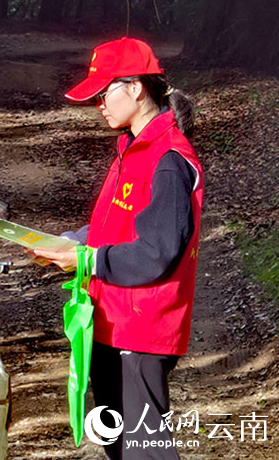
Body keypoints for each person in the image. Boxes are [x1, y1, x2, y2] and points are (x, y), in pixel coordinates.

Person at [33, 38, 203, 460]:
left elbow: (156, 253)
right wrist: (72, 243)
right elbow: (116, 225)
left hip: (141, 329)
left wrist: (87, 259)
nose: (99, 105)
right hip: (110, 319)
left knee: (145, 451)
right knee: (117, 442)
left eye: (104, 93)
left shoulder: (167, 158)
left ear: (137, 88)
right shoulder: (133, 147)